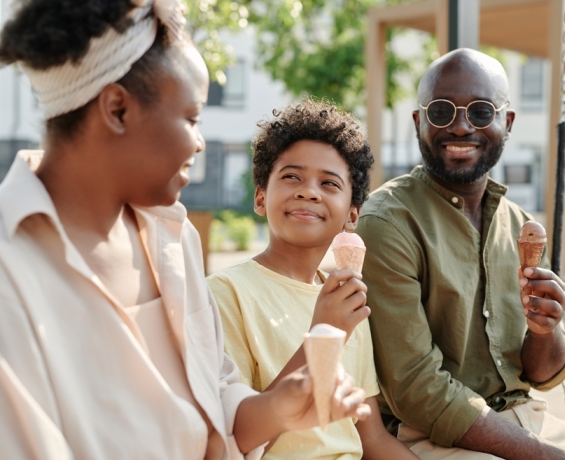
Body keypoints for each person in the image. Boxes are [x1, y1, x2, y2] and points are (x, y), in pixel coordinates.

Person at [0, 2, 370, 459]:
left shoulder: (172, 239)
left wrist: (278, 409)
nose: (199, 142)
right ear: (118, 109)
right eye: (192, 117)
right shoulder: (10, 271)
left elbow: (216, 409)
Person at [355, 48, 565, 460]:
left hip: (526, 419)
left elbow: (541, 376)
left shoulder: (521, 225)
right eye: (440, 111)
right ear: (419, 122)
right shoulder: (388, 223)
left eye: (479, 111)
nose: (459, 126)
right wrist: (544, 456)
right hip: (430, 436)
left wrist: (546, 330)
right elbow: (417, 390)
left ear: (505, 123)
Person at [207, 99, 419, 460]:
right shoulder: (225, 294)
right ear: (260, 197)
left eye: (329, 183)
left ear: (352, 214)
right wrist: (323, 335)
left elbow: (371, 438)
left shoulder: (347, 298)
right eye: (291, 176)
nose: (308, 191)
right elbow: (236, 440)